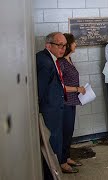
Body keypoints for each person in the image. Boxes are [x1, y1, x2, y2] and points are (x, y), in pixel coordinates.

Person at [36, 32, 67, 179]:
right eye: (59, 45)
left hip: (55, 108)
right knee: (52, 145)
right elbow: (40, 91)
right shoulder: (45, 62)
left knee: (56, 143)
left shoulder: (50, 59)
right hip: (49, 111)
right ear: (48, 45)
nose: (63, 48)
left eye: (64, 45)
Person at [57, 33, 86, 173]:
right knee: (65, 132)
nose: (76, 44)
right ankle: (62, 162)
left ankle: (67, 157)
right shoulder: (61, 62)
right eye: (74, 42)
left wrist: (79, 90)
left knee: (69, 132)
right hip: (65, 102)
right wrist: (76, 88)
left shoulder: (69, 59)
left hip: (72, 100)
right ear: (69, 45)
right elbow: (60, 85)